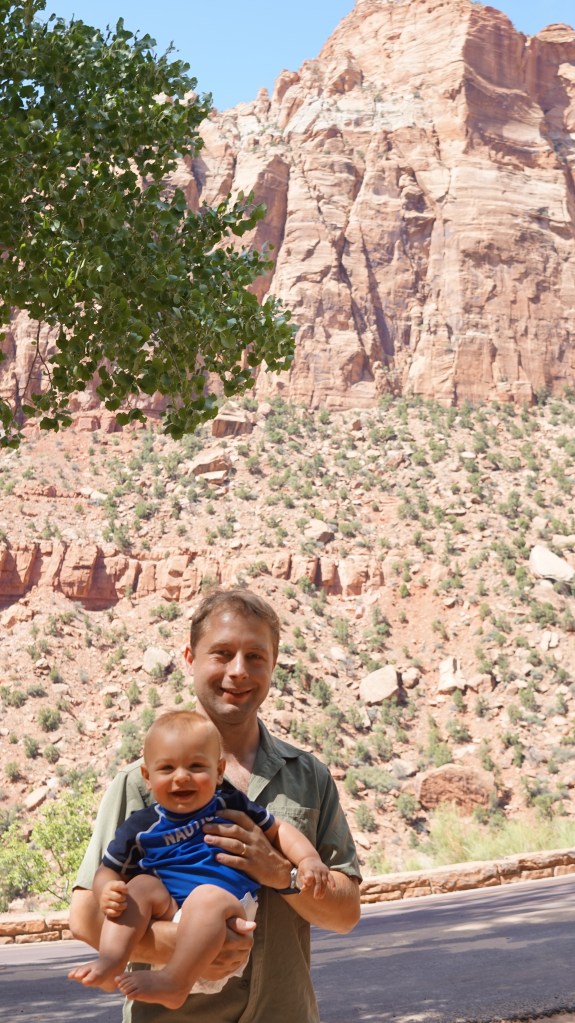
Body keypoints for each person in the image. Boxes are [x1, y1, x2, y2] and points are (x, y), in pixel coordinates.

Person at [70, 587, 362, 1023]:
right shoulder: (139, 784)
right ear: (190, 658)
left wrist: (281, 873)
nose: (238, 671)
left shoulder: (309, 777)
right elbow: (86, 918)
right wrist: (187, 947)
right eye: (222, 654)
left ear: (273, 664)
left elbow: (346, 914)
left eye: (255, 656)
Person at [69, 709, 334, 1009]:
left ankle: (175, 983)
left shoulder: (229, 805)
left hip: (229, 914)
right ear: (147, 777)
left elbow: (279, 829)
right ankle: (111, 962)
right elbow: (107, 871)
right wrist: (107, 890)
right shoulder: (141, 828)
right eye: (167, 768)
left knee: (206, 896)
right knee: (140, 886)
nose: (182, 777)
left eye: (196, 766)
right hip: (173, 914)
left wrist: (308, 859)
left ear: (219, 771)